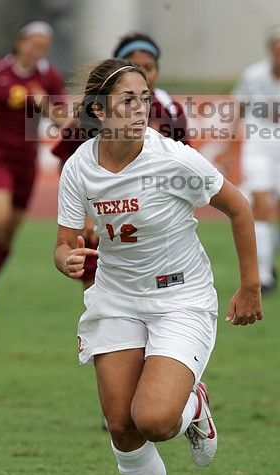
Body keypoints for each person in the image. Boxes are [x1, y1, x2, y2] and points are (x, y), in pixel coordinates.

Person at [54, 58, 263, 475]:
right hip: (116, 298)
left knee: (154, 419)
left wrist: (250, 286)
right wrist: (67, 259)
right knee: (122, 425)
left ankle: (193, 406)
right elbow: (62, 244)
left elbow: (239, 207)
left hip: (180, 298)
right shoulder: (79, 166)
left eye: (145, 97)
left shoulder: (174, 159)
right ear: (100, 112)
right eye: (128, 99)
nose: (141, 107)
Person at [52, 31, 189, 290]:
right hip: (106, 218)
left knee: (159, 288)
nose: (144, 74)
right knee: (99, 289)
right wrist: (86, 217)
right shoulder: (95, 111)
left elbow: (186, 166)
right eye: (136, 67)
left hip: (153, 223)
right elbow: (68, 162)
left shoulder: (170, 109)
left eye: (149, 68)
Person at [0, 20, 65, 311]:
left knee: (9, 232)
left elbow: (62, 119)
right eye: (34, 44)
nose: (38, 51)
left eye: (44, 47)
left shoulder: (48, 77)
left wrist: (44, 103)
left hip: (26, 160)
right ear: (20, 42)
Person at [219, 26, 280, 293]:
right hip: (259, 146)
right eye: (277, 50)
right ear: (270, 50)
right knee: (261, 208)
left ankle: (268, 259)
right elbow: (238, 111)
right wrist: (229, 150)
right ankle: (262, 275)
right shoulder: (253, 76)